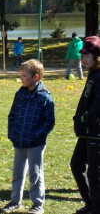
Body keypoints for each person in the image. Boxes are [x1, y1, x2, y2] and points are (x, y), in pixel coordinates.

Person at [3, 59, 55, 214]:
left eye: (24, 75)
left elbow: (49, 122)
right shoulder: (19, 94)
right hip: (19, 140)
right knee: (17, 172)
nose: (21, 78)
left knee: (35, 174)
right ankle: (15, 201)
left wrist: (35, 137)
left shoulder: (45, 98)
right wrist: (12, 133)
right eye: (21, 75)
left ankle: (37, 203)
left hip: (35, 144)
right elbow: (12, 115)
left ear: (36, 77)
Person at [70, 36, 100, 214]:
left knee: (94, 174)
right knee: (76, 165)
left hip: (96, 131)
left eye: (87, 56)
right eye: (83, 56)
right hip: (86, 131)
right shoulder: (93, 74)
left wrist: (86, 118)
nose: (84, 59)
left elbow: (98, 106)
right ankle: (90, 203)